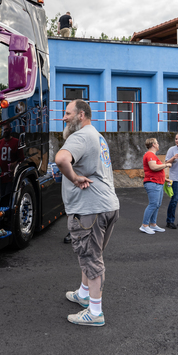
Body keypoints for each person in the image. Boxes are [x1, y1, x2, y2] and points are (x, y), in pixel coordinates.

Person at [55, 99, 120, 327]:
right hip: (106, 205)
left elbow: (61, 159)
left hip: (90, 209)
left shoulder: (80, 136)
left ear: (81, 115)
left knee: (91, 258)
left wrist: (73, 178)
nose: (64, 117)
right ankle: (84, 294)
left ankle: (95, 312)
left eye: (68, 113)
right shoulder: (98, 136)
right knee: (90, 254)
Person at [140, 138, 173, 235]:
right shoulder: (150, 154)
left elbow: (155, 170)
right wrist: (166, 165)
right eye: (157, 143)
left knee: (157, 204)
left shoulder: (152, 155)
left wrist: (165, 179)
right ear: (153, 144)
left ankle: (153, 224)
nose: (158, 144)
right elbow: (153, 167)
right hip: (153, 183)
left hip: (158, 183)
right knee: (153, 204)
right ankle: (144, 225)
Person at [0, 123, 23, 197]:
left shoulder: (16, 142)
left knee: (8, 196)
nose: (5, 131)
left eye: (6, 129)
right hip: (1, 176)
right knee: (1, 195)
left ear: (10, 129)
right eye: (4, 130)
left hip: (10, 177)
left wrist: (15, 163)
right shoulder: (0, 142)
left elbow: (21, 158)